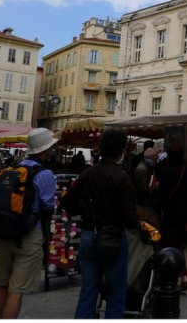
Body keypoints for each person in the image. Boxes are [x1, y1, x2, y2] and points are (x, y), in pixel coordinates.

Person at [60, 129, 139, 319]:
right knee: (116, 294)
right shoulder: (122, 178)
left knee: (88, 291)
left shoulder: (87, 174)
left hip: (89, 234)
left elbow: (67, 203)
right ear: (121, 151)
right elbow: (129, 218)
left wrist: (86, 212)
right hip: (113, 237)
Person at [0, 128, 57, 319]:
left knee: (3, 285)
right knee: (16, 291)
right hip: (29, 235)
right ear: (46, 150)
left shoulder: (12, 169)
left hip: (5, 232)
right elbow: (47, 207)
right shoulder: (44, 173)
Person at [154, 148, 187, 291]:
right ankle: (181, 274)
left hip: (169, 213)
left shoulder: (165, 173)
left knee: (169, 243)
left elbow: (160, 195)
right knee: (178, 243)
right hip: (184, 214)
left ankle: (175, 274)